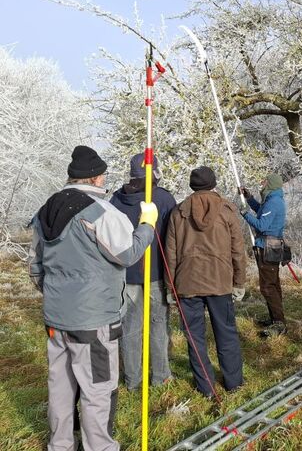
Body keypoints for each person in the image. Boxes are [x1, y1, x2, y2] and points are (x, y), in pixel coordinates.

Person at [29, 145, 157, 451]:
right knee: (98, 388)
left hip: (56, 319)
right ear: (97, 178)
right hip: (95, 321)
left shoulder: (44, 210)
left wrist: (57, 296)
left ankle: (60, 445)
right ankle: (98, 446)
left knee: (60, 387)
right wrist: (147, 226)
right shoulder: (102, 212)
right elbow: (127, 253)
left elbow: (36, 267)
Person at [165, 166, 246, 397]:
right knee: (226, 332)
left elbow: (170, 253)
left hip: (187, 283)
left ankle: (206, 387)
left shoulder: (178, 213)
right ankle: (234, 383)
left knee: (195, 337)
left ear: (192, 185)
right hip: (220, 282)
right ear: (214, 183)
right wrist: (239, 281)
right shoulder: (227, 211)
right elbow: (238, 251)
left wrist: (170, 286)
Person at [110, 153, 176, 390]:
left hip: (127, 275)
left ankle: (133, 380)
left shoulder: (116, 200)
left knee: (130, 329)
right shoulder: (163, 198)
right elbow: (173, 237)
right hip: (156, 274)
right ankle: (160, 377)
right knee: (158, 326)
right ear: (154, 172)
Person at [240, 173, 287, 337]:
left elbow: (262, 225)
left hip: (268, 248)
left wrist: (245, 214)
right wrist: (249, 198)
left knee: (268, 287)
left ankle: (279, 323)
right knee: (273, 285)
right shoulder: (272, 200)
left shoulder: (273, 202)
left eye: (265, 181)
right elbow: (261, 211)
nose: (262, 183)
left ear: (271, 184)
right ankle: (276, 318)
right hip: (270, 246)